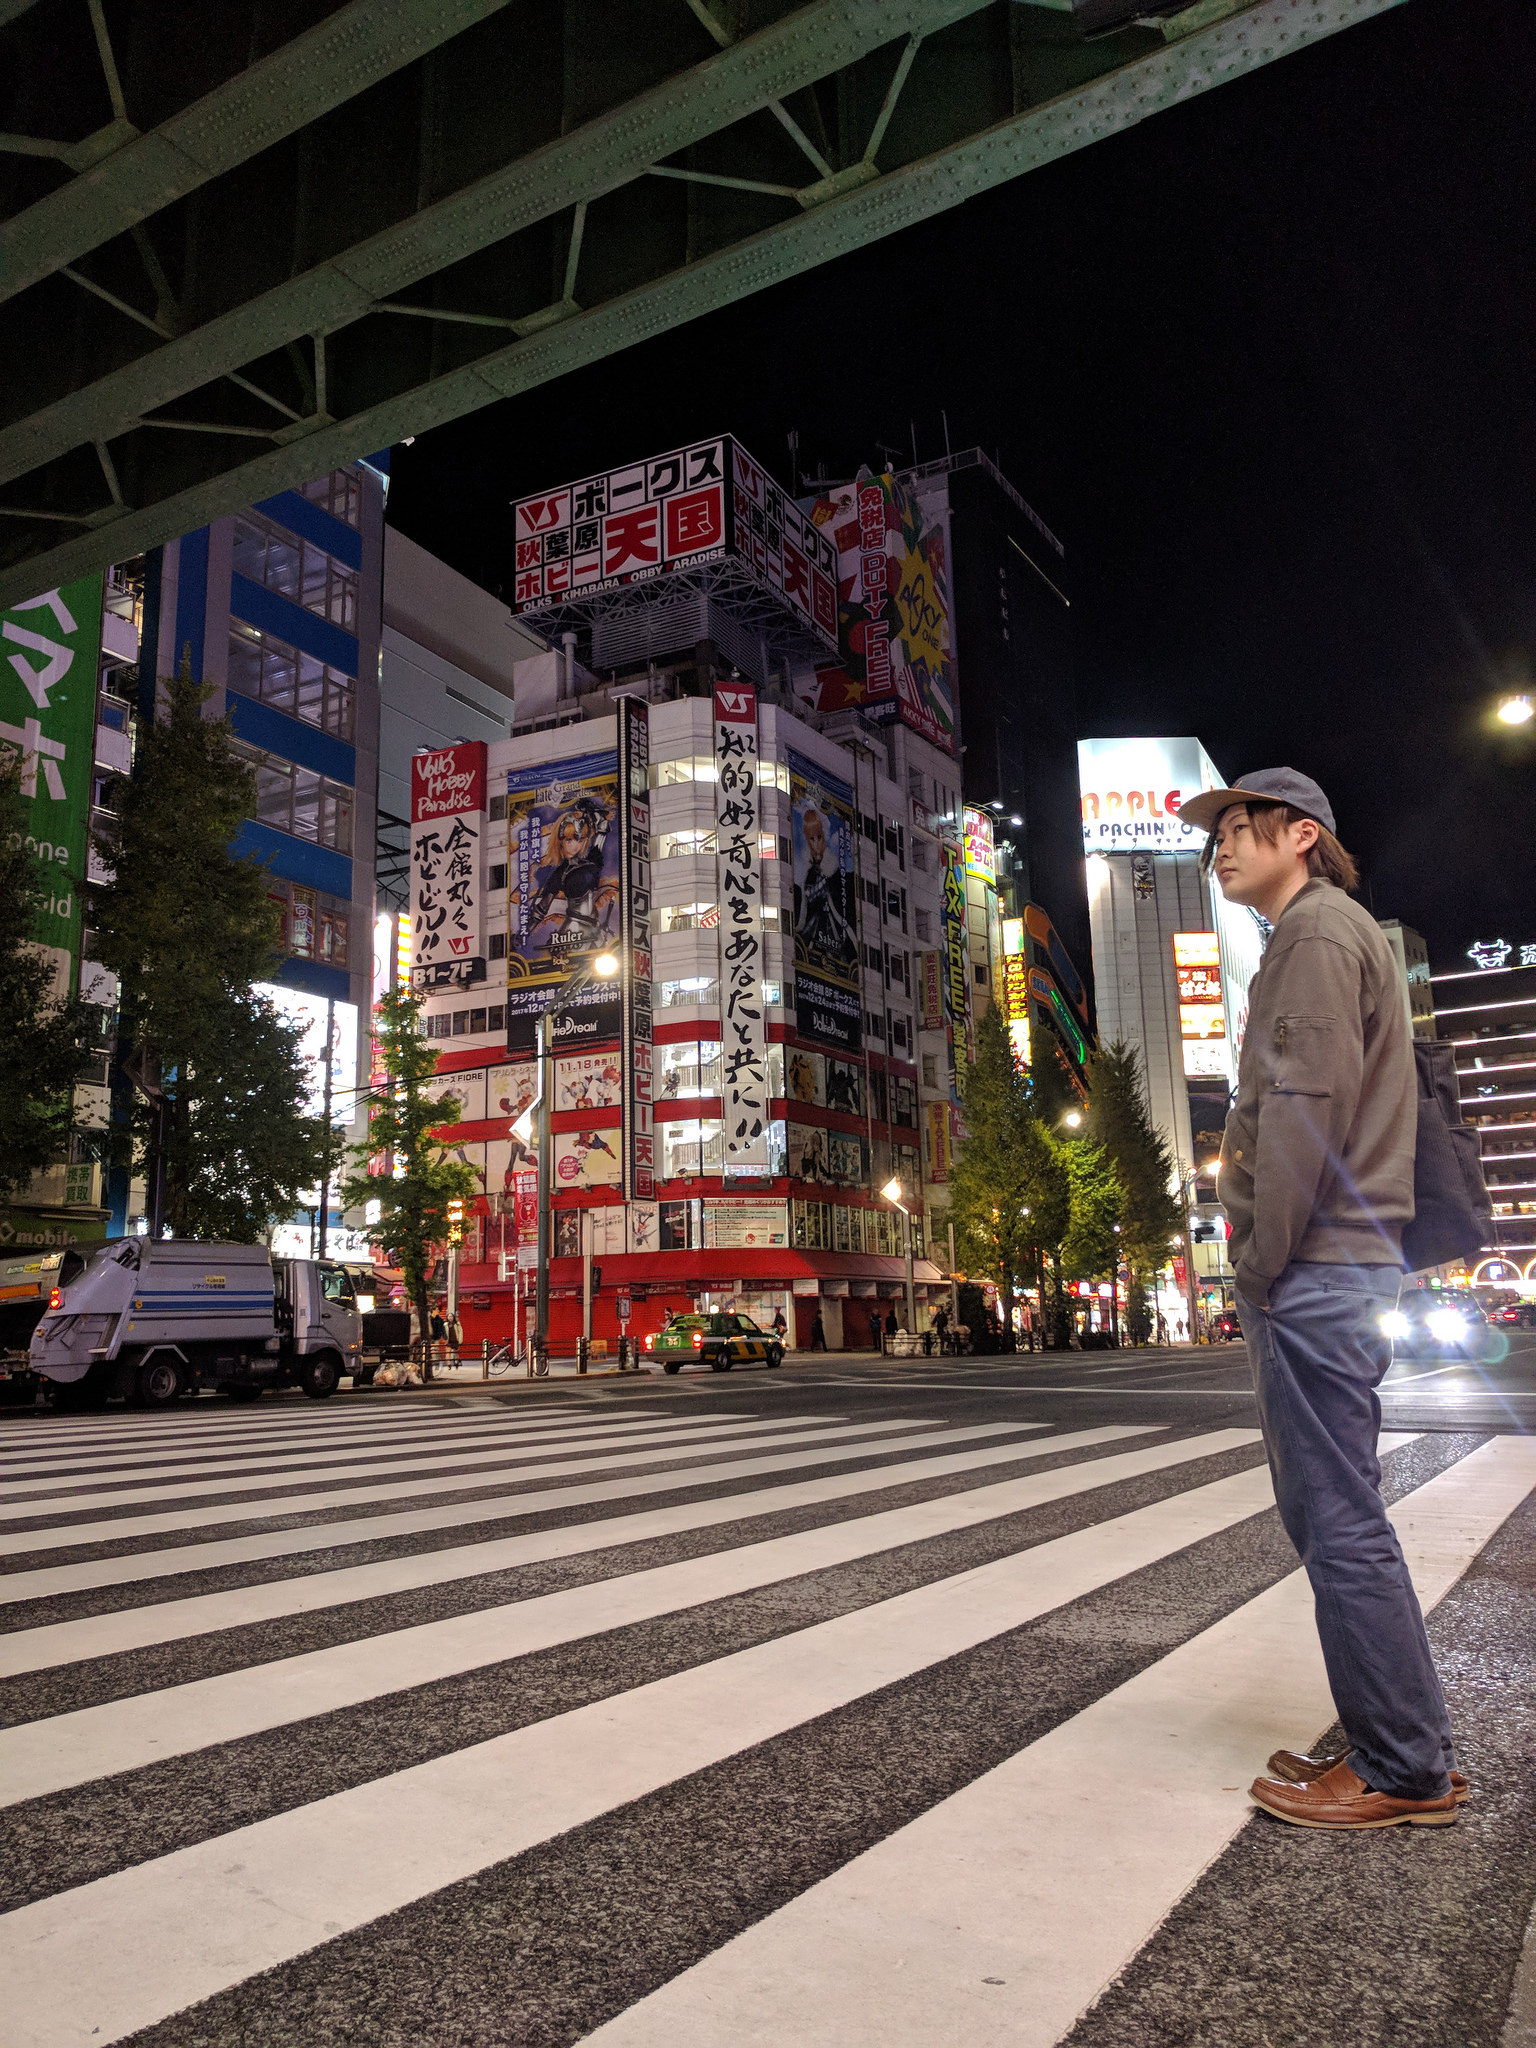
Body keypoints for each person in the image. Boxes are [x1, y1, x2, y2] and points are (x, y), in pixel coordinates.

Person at [1181, 768, 1462, 1830]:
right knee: (1338, 1508)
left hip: (1315, 1263)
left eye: (1238, 828)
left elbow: (1301, 1104)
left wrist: (1260, 1258)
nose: (1220, 847)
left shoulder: (1313, 934)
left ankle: (1401, 1768)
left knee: (1337, 1515)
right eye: (1214, 835)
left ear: (1302, 834)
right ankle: (1403, 1739)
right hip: (1341, 1257)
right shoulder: (1336, 934)